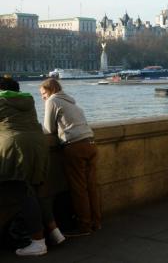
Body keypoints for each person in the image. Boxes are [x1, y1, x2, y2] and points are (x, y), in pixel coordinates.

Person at [0, 76, 65, 256]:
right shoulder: (27, 101)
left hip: (16, 147)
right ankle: (54, 231)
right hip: (39, 145)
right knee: (38, 189)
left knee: (22, 192)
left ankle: (38, 242)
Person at [40, 78, 101, 235]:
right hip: (91, 144)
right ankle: (96, 221)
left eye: (43, 93)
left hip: (75, 146)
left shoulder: (53, 101)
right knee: (91, 186)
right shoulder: (72, 102)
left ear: (51, 90)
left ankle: (84, 226)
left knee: (79, 188)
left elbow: (48, 129)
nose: (42, 97)